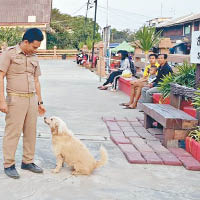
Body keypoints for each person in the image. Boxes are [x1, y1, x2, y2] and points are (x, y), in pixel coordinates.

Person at [0, 28, 46, 179]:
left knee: (31, 132)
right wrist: (2, 101)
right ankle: (9, 164)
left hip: (31, 98)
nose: (35, 50)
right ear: (26, 42)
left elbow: (36, 80)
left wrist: (40, 101)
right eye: (34, 47)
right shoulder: (9, 53)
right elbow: (0, 77)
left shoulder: (34, 56)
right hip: (15, 98)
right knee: (12, 133)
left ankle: (27, 161)